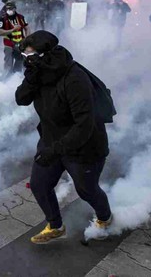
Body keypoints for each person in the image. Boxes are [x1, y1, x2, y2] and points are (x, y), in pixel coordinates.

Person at [15, 31, 112, 244]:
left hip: (84, 146)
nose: (26, 61)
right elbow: (21, 99)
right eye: (24, 57)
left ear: (46, 55)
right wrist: (30, 78)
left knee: (86, 190)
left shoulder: (75, 78)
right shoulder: (39, 70)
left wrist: (54, 151)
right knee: (40, 185)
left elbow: (84, 125)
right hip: (52, 139)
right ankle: (56, 226)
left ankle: (105, 218)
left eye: (30, 56)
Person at [0, 2, 29, 75]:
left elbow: (27, 28)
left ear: (14, 9)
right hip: (9, 43)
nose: (8, 10)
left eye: (10, 8)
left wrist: (27, 39)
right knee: (8, 62)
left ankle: (16, 76)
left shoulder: (21, 17)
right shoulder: (3, 19)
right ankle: (6, 78)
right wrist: (12, 30)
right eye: (7, 8)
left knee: (21, 59)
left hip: (21, 42)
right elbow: (0, 32)